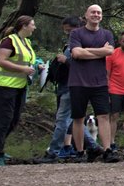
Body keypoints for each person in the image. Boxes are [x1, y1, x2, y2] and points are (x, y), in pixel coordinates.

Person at [33, 16, 100, 164]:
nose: (68, 34)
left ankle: (53, 151)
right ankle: (94, 147)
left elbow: (85, 64)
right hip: (65, 85)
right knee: (73, 120)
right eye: (66, 31)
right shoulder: (71, 43)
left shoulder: (82, 42)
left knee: (62, 119)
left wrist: (66, 60)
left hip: (73, 85)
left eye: (70, 31)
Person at [0, 16, 44, 166]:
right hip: (5, 85)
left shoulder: (26, 42)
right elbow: (1, 61)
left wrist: (37, 66)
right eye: (32, 25)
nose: (35, 27)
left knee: (14, 120)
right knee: (4, 120)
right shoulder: (9, 41)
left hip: (20, 86)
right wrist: (23, 69)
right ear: (24, 26)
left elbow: (28, 61)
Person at [67, 5, 118, 163]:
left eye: (99, 13)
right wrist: (99, 51)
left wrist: (86, 51)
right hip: (78, 82)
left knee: (103, 116)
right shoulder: (76, 33)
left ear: (101, 16)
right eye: (93, 12)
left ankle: (108, 150)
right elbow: (76, 53)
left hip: (100, 82)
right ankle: (80, 152)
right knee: (78, 118)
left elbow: (110, 52)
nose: (96, 15)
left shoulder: (107, 34)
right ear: (86, 15)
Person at [106, 32, 124, 152]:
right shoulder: (112, 54)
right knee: (114, 116)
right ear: (119, 41)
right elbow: (107, 74)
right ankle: (111, 142)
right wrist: (107, 91)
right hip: (115, 89)